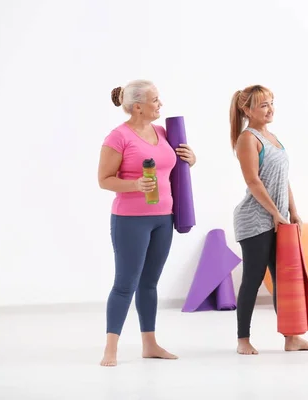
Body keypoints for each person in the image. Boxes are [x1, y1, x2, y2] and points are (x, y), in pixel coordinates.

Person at [97, 79, 196, 367]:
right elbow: (104, 180)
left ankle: (150, 344)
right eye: (155, 100)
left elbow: (173, 169)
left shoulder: (163, 132)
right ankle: (110, 349)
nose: (160, 104)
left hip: (163, 219)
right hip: (130, 221)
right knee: (125, 284)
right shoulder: (117, 137)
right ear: (138, 107)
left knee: (149, 284)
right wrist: (134, 185)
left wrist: (191, 159)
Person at [229, 84, 308, 355]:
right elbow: (253, 182)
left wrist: (293, 212)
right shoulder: (248, 139)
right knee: (253, 279)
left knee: (285, 280)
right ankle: (242, 340)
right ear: (247, 110)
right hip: (255, 221)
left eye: (271, 103)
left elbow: (283, 180)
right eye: (263, 105)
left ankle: (292, 338)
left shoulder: (272, 137)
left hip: (278, 219)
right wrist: (275, 213)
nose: (270, 109)